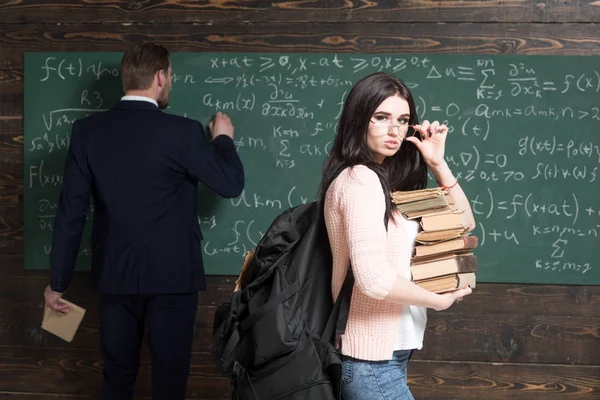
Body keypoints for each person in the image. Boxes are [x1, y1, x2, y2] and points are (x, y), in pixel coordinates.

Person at [43, 41, 244, 400]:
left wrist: (57, 283)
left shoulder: (87, 132)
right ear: (160, 76)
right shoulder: (182, 132)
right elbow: (230, 184)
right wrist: (224, 140)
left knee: (117, 378)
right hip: (174, 278)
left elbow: (70, 212)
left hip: (115, 275)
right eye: (171, 77)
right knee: (170, 381)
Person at [318, 72, 475, 400]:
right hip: (370, 360)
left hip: (389, 353)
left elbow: (462, 224)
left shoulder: (386, 181)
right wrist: (439, 301)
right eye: (381, 117)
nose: (394, 130)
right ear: (359, 119)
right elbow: (372, 278)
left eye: (403, 120)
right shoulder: (359, 180)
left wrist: (437, 163)